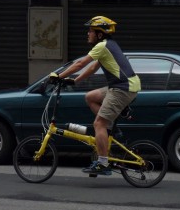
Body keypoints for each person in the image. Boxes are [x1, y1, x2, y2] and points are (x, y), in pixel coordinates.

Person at [51, 16, 141, 175]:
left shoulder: (102, 46)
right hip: (125, 86)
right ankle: (111, 126)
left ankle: (103, 163)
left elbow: (80, 64)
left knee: (98, 124)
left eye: (90, 31)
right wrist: (75, 81)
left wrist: (59, 76)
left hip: (122, 88)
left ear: (99, 34)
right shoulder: (109, 45)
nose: (88, 34)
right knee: (90, 97)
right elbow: (92, 68)